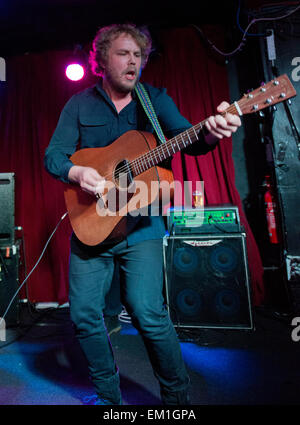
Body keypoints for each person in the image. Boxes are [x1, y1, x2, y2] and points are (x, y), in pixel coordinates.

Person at [44, 23, 241, 405]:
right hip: (91, 225)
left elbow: (191, 138)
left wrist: (214, 132)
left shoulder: (155, 99)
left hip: (143, 222)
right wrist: (77, 171)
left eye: (138, 55)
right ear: (101, 60)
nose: (133, 61)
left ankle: (176, 399)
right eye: (123, 53)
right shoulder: (79, 104)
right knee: (85, 315)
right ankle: (108, 396)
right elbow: (54, 155)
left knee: (148, 312)